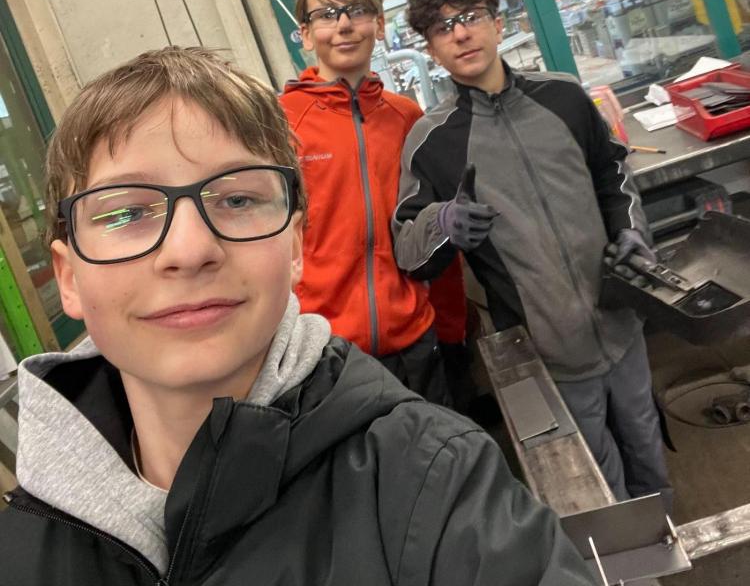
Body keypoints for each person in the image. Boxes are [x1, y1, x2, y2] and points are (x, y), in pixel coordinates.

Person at [0, 46, 597, 586]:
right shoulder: (20, 548)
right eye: (127, 213)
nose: (189, 249)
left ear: (294, 247)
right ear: (69, 278)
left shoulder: (435, 484)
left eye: (238, 199)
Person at [393, 0, 672, 507]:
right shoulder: (432, 141)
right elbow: (408, 248)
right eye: (443, 27)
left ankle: (666, 530)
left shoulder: (564, 97)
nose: (461, 34)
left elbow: (612, 173)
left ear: (498, 23)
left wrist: (631, 231)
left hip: (619, 318)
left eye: (471, 16)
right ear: (431, 49)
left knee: (645, 442)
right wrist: (442, 222)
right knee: (593, 479)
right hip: (544, 348)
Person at [279, 0, 466, 404]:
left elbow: (434, 229)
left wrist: (453, 326)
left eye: (357, 10)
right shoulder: (279, 125)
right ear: (306, 34)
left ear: (379, 25)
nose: (344, 25)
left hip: (416, 339)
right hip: (326, 356)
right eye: (327, 14)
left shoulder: (408, 119)